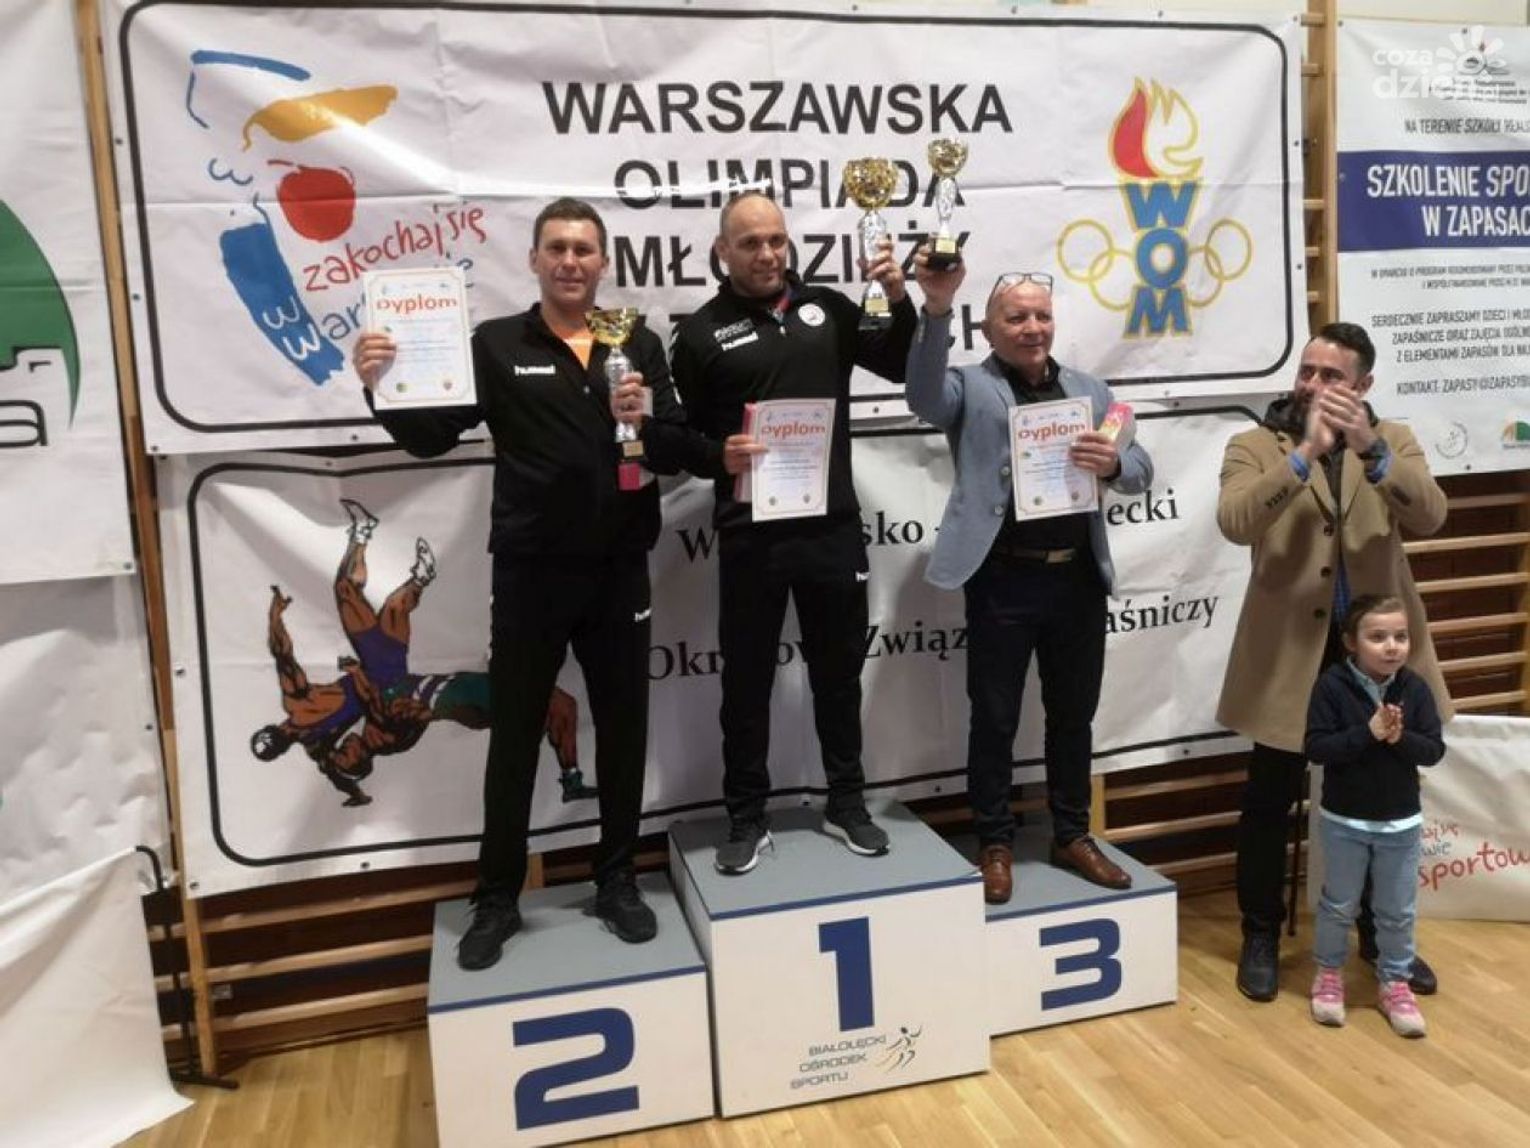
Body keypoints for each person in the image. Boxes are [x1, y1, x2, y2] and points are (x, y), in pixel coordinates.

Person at [353, 197, 690, 970]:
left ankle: (617, 880)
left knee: (624, 731)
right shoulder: (497, 343)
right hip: (531, 572)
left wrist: (645, 417)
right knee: (513, 738)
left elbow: (671, 447)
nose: (570, 261)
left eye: (584, 249)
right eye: (557, 248)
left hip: (620, 570)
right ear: (534, 260)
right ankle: (497, 897)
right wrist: (381, 384)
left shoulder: (637, 341)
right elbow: (432, 438)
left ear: (603, 263)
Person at [666, 191, 915, 874]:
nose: (767, 253)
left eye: (776, 239)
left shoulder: (829, 308)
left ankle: (847, 803)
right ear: (722, 251)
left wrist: (896, 299)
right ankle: (746, 816)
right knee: (746, 684)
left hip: (831, 528)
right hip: (751, 536)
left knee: (839, 675)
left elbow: (898, 362)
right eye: (750, 243)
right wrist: (716, 453)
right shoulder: (700, 333)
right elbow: (674, 437)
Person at [906, 256, 1153, 904]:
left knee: (1073, 716)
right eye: (1016, 317)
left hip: (1077, 580)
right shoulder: (968, 386)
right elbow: (922, 398)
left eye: (1041, 315)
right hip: (1002, 579)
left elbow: (1141, 468)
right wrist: (936, 310)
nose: (1032, 327)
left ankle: (1072, 833)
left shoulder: (1090, 390)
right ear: (990, 329)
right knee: (994, 717)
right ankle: (995, 840)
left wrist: (1114, 463)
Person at [1217, 321, 1451, 1002]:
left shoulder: (1393, 440)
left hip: (1377, 657)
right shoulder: (1257, 444)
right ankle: (1261, 933)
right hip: (1287, 656)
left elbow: (1431, 516)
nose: (1313, 385)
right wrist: (1304, 457)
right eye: (1307, 371)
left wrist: (1370, 450)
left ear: (1363, 385)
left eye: (1331, 376)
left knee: (1382, 799)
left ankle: (1381, 941)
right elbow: (1234, 522)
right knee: (1270, 798)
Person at [1304, 595, 1444, 1037]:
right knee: (1339, 905)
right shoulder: (1331, 686)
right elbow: (1317, 747)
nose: (1392, 646)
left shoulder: (1415, 688)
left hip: (1400, 823)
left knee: (1397, 910)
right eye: (1378, 636)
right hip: (1345, 821)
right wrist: (1367, 733)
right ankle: (1329, 975)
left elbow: (1433, 750)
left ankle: (1395, 982)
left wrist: (1400, 738)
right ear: (1351, 642)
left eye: (1400, 636)